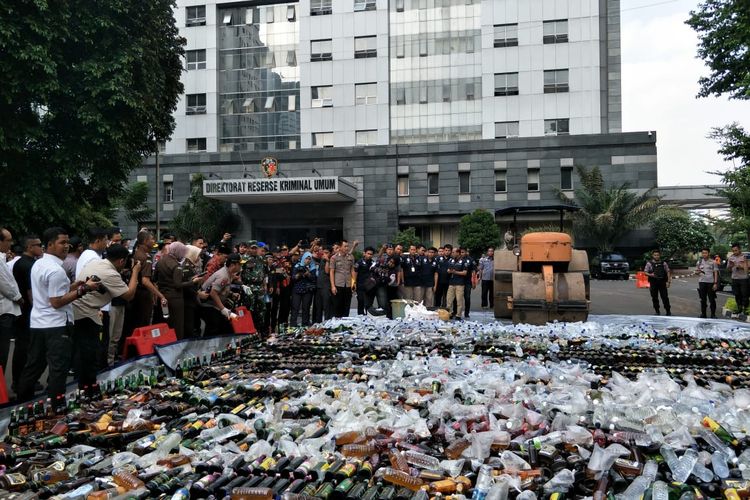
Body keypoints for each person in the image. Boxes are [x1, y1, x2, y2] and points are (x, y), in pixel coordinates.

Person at [17, 227, 99, 405]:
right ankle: (57, 406)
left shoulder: (39, 263)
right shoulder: (55, 270)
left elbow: (51, 294)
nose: (66, 246)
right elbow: (56, 301)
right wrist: (83, 289)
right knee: (58, 368)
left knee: (34, 366)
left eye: (67, 242)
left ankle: (19, 404)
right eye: (62, 242)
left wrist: (76, 285)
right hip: (56, 326)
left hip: (39, 323)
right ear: (50, 244)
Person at [74, 244, 141, 387]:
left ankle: (84, 385)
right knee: (91, 354)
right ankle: (88, 388)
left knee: (84, 353)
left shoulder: (96, 262)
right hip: (87, 314)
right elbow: (129, 295)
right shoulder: (111, 273)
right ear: (122, 261)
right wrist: (135, 272)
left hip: (79, 311)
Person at [11, 234, 43, 391]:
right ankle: (21, 382)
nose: (41, 247)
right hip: (27, 313)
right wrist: (38, 308)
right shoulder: (27, 264)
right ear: (29, 247)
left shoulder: (24, 263)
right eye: (38, 245)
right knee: (25, 348)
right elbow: (31, 293)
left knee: (23, 347)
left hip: (23, 312)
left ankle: (20, 381)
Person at [155, 241, 204, 339]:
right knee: (177, 326)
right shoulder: (176, 266)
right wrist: (193, 282)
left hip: (162, 296)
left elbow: (155, 278)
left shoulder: (160, 261)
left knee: (165, 323)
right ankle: (177, 347)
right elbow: (178, 285)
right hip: (175, 299)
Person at [200, 253, 242, 336]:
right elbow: (213, 292)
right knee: (214, 327)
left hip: (215, 305)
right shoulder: (223, 276)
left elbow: (222, 289)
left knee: (226, 326)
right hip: (209, 305)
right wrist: (223, 309)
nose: (240, 266)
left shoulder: (229, 273)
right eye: (239, 264)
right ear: (233, 265)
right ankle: (208, 347)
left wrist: (231, 294)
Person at [0, 227, 23, 377]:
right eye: (8, 240)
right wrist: (18, 297)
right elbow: (4, 283)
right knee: (2, 351)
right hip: (4, 311)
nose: (11, 243)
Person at [131, 230, 164, 328]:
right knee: (143, 322)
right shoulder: (146, 257)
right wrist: (160, 295)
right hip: (143, 295)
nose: (154, 241)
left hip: (135, 292)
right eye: (152, 239)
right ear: (145, 241)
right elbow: (145, 281)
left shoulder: (136, 253)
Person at [240, 242, 268, 335]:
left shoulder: (261, 259)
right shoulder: (243, 259)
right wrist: (242, 285)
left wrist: (265, 285)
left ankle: (260, 331)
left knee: (261, 310)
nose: (254, 250)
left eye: (255, 248)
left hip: (259, 287)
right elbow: (238, 274)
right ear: (248, 249)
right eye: (252, 248)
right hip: (248, 287)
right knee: (249, 309)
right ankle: (249, 332)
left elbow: (264, 273)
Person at [182, 245, 205, 339]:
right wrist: (197, 293)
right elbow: (186, 285)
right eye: (197, 255)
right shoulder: (186, 267)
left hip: (191, 299)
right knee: (189, 325)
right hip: (188, 300)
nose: (198, 258)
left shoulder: (190, 265)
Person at [290, 252, 317, 326]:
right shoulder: (297, 265)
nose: (308, 260)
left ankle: (305, 324)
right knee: (295, 308)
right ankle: (293, 325)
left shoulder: (312, 267)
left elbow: (314, 279)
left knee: (306, 308)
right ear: (303, 258)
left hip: (307, 290)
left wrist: (308, 274)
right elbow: (293, 278)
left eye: (309, 259)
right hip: (297, 290)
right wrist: (300, 275)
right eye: (306, 259)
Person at [330, 240, 355, 317]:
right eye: (345, 246)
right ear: (340, 247)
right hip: (338, 284)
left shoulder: (351, 257)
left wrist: (354, 283)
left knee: (347, 306)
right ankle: (337, 324)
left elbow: (352, 270)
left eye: (347, 246)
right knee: (338, 306)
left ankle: (345, 323)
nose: (347, 248)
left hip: (348, 285)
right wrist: (333, 286)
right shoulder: (334, 258)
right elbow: (331, 272)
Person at [644, 249, 672, 316]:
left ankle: (668, 311)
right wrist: (651, 275)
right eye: (655, 255)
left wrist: (668, 281)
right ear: (653, 256)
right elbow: (645, 272)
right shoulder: (649, 263)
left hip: (662, 282)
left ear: (660, 255)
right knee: (654, 297)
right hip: (653, 283)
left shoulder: (664, 263)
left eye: (657, 255)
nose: (656, 256)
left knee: (665, 297)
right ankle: (657, 311)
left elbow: (668, 271)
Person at [695, 247, 718, 319]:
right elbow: (697, 272)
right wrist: (697, 272)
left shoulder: (713, 262)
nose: (704, 254)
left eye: (705, 253)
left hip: (710, 283)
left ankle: (713, 314)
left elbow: (715, 273)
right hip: (702, 282)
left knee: (712, 299)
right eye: (703, 253)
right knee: (703, 300)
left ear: (708, 253)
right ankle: (703, 314)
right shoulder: (699, 262)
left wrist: (715, 283)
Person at [728, 243, 749, 317]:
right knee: (737, 294)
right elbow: (729, 270)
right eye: (733, 251)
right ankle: (739, 308)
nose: (734, 252)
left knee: (744, 294)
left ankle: (745, 309)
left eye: (736, 250)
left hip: (743, 278)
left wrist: (741, 266)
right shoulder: (731, 257)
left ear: (739, 249)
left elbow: (747, 269)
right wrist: (730, 266)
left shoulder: (745, 257)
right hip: (734, 278)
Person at [446, 247, 468, 319]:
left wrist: (455, 272)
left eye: (453, 252)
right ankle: (449, 313)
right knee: (449, 300)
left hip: (460, 284)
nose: (452, 253)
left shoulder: (464, 261)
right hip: (451, 283)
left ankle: (458, 315)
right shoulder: (451, 260)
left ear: (458, 253)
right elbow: (448, 269)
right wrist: (449, 271)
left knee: (459, 301)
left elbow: (465, 273)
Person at [353, 247, 376, 315]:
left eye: (371, 254)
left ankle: (368, 316)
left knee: (369, 303)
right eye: (368, 253)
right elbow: (355, 273)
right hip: (360, 285)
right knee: (361, 301)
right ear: (364, 253)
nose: (369, 255)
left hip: (370, 286)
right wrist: (354, 283)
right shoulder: (359, 262)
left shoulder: (373, 263)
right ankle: (360, 316)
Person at [312, 247, 333, 323]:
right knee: (318, 307)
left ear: (330, 254)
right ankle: (318, 323)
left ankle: (327, 323)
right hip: (318, 286)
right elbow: (312, 256)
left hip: (326, 286)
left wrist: (327, 261)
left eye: (327, 253)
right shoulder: (320, 259)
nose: (325, 254)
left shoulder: (331, 260)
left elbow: (327, 271)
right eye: (324, 253)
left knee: (326, 306)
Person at [460, 248, 476, 318]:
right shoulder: (457, 259)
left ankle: (467, 313)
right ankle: (456, 312)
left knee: (467, 297)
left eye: (463, 252)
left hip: (467, 282)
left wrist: (474, 282)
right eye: (460, 252)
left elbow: (474, 271)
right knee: (457, 298)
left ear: (466, 252)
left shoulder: (470, 260)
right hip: (458, 281)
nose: (462, 254)